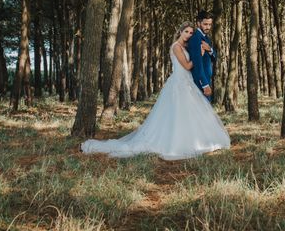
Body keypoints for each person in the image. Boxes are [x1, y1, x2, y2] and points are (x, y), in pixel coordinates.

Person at [81, 21, 230, 160]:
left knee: (188, 114)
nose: (189, 35)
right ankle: (173, 143)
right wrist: (200, 55)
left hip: (187, 83)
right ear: (180, 32)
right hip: (178, 83)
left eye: (191, 33)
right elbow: (187, 66)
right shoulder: (176, 47)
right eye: (186, 31)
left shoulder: (185, 47)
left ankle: (192, 139)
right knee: (176, 114)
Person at [187, 10, 216, 101]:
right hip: (200, 83)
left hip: (206, 79)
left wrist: (210, 49)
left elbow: (214, 57)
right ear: (198, 23)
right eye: (205, 24)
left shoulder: (206, 38)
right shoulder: (195, 38)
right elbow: (197, 64)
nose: (208, 27)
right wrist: (205, 85)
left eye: (210, 24)